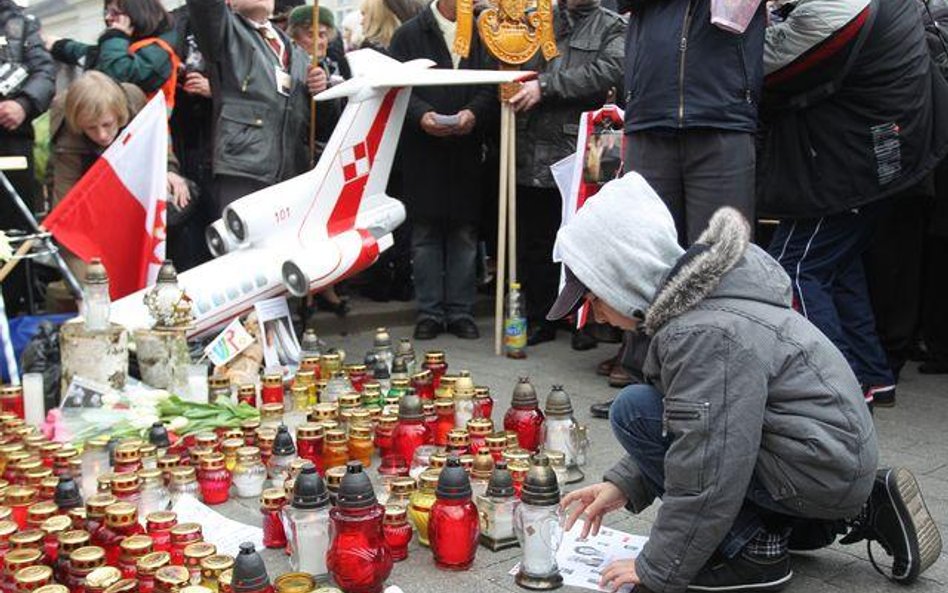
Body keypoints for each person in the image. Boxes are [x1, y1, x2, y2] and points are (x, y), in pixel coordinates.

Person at [552, 172, 942, 592]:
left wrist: (659, 568)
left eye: (591, 298)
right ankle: (862, 507)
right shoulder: (705, 304)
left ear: (621, 275)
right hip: (826, 461)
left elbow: (707, 462)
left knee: (634, 411)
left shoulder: (702, 332)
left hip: (818, 470)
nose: (593, 316)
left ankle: (757, 553)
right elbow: (695, 422)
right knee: (655, 414)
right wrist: (624, 484)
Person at [758, 0, 948, 407]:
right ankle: (872, 376)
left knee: (793, 270)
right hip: (869, 165)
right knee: (837, 270)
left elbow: (761, 65)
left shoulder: (836, 10)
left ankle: (834, 384)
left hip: (845, 166)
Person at [591, 0, 766, 417]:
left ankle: (722, 389)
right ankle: (642, 390)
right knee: (643, 258)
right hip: (651, 113)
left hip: (723, 114)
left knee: (722, 262)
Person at [508, 0, 624, 347]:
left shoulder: (614, 25)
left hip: (596, 142)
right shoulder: (534, 20)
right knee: (537, 238)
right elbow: (514, 65)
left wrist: (545, 86)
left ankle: (588, 320)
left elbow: (609, 71)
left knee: (591, 236)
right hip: (534, 143)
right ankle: (542, 316)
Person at [389, 0, 496, 340]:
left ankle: (461, 311)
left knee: (464, 234)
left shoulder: (484, 34)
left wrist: (473, 114)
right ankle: (430, 312)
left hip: (467, 149)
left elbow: (492, 86)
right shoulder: (408, 34)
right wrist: (421, 115)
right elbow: (395, 89)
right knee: (425, 235)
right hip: (423, 151)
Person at [185, 0, 328, 215]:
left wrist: (321, 89)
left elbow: (320, 122)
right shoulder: (225, 32)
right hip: (244, 167)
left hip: (292, 173)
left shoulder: (294, 50)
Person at [49, 71, 190, 277]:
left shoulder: (133, 99)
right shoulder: (67, 132)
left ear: (119, 114)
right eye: (91, 128)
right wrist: (87, 287)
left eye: (107, 124)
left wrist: (168, 169)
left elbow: (156, 136)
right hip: (90, 202)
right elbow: (66, 209)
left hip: (133, 191)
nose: (102, 135)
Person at [0, 0, 55, 317]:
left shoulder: (21, 24)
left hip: (12, 147)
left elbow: (45, 72)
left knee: (16, 237)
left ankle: (18, 314)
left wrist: (23, 104)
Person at [46, 0, 179, 106]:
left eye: (115, 13)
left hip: (145, 135)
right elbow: (92, 55)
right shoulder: (122, 44)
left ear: (136, 13)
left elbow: (118, 73)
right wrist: (59, 45)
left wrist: (116, 35)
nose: (108, 17)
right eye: (107, 12)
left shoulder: (159, 49)